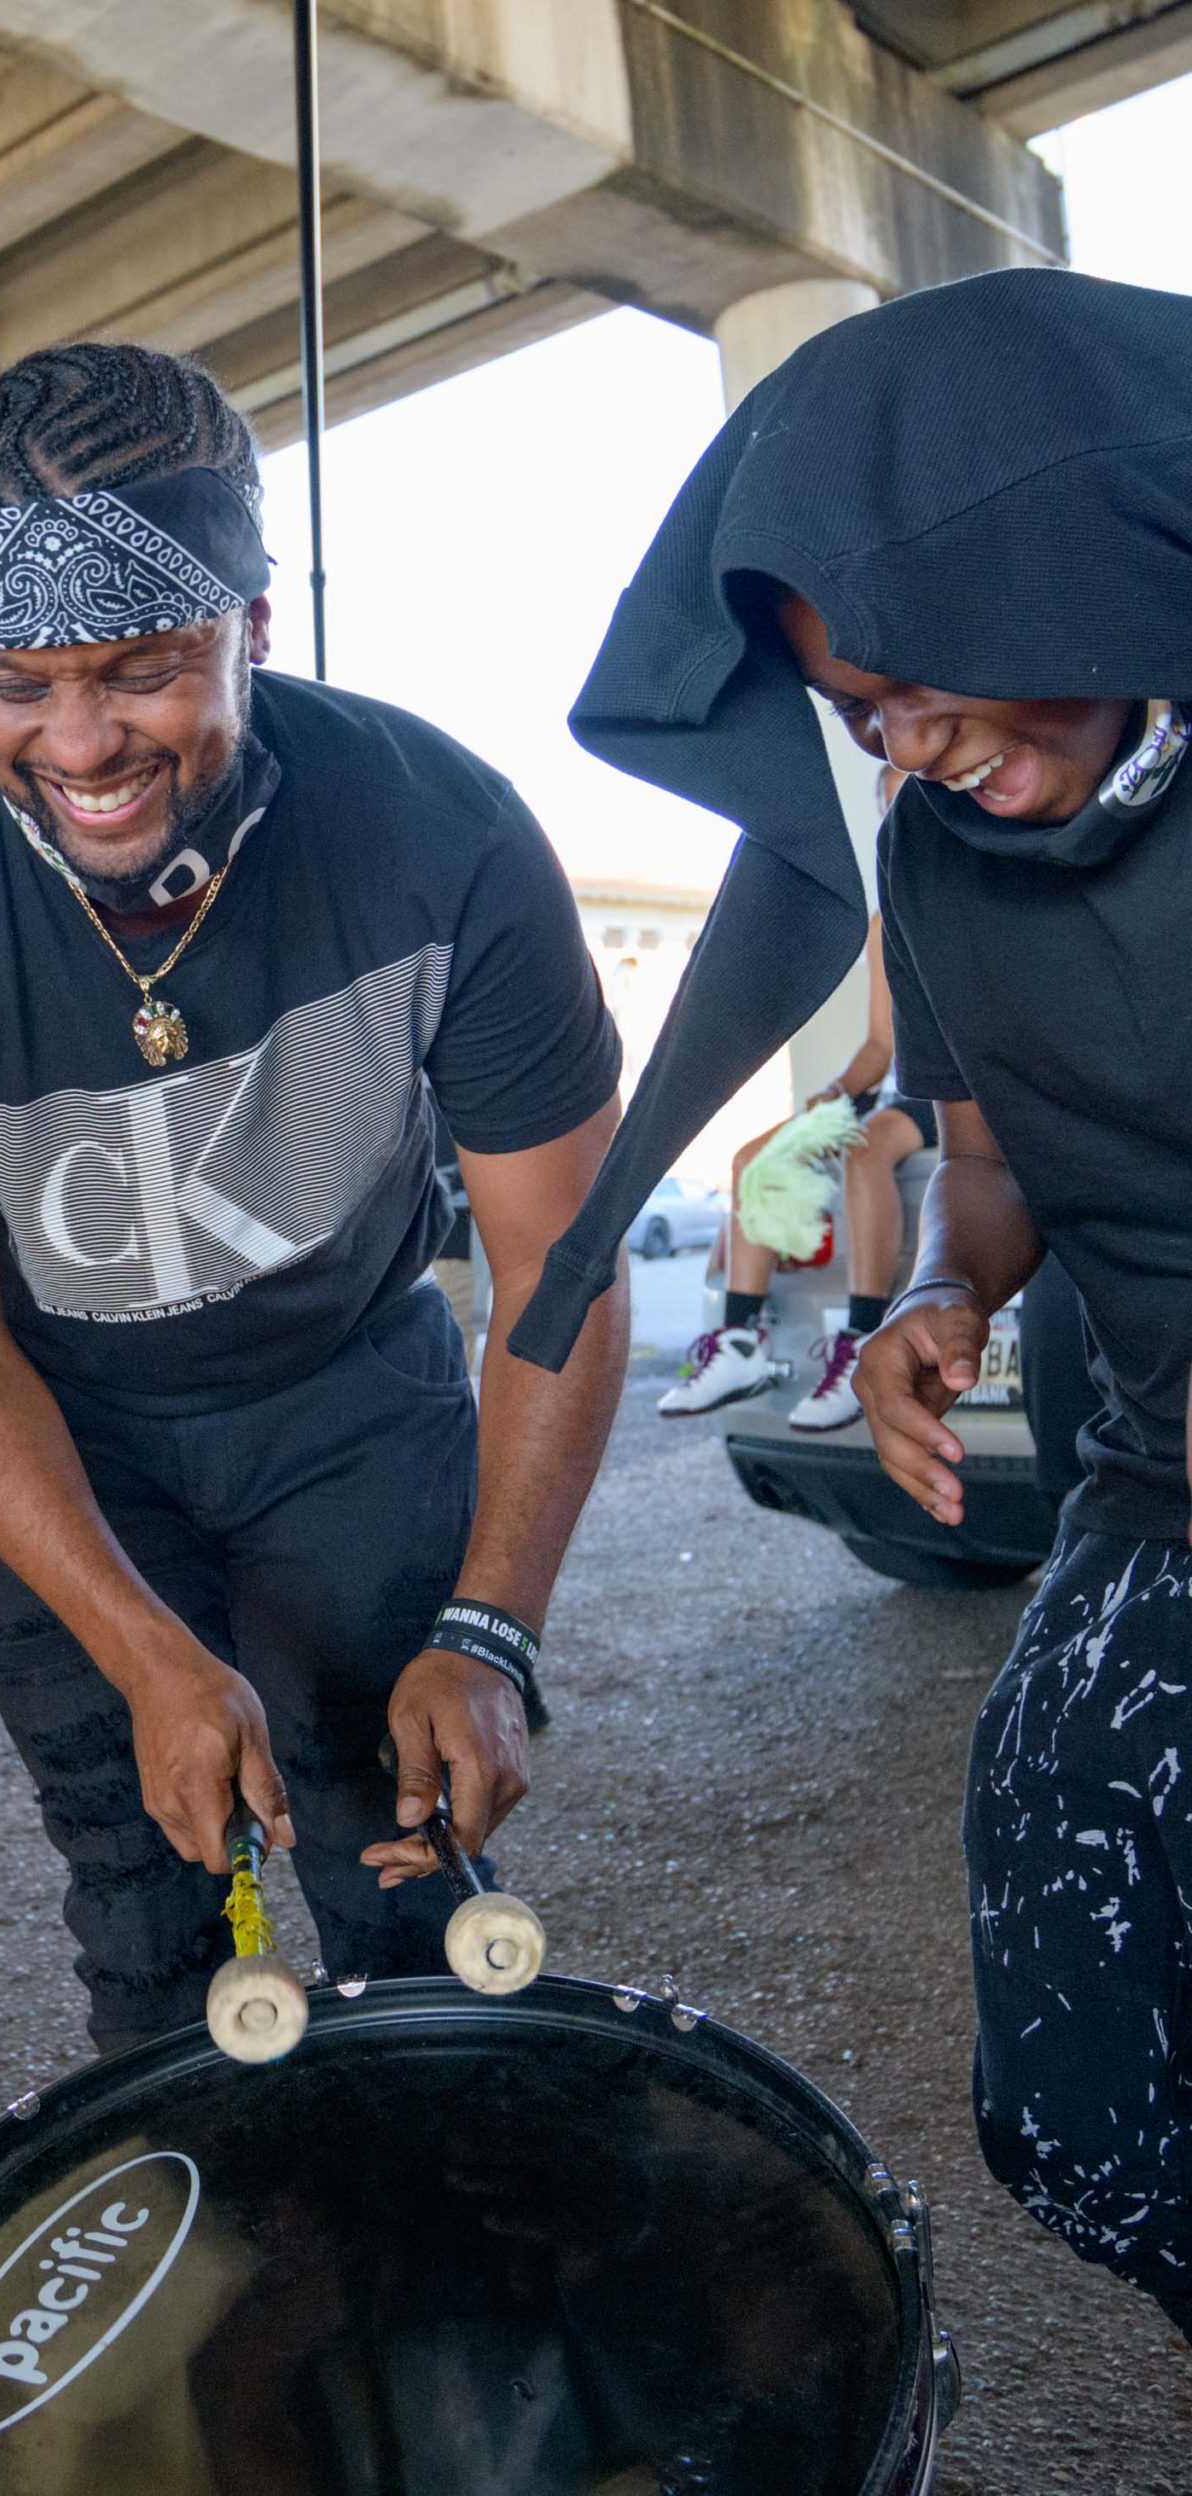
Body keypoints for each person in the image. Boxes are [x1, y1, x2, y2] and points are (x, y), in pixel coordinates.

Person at [0, 344, 630, 2049]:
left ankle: (440, 2200)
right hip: (68, 1436)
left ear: (254, 623)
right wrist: (145, 1651)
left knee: (415, 1886)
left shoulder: (443, 833)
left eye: (142, 670)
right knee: (152, 1927)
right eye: (17, 685)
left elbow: (559, 1261)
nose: (82, 741)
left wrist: (493, 1627)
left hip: (350, 1403)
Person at [515, 268, 1192, 2334]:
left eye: (920, 684)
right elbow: (986, 1150)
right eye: (858, 715)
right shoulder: (941, 857)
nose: (906, 744)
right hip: (1156, 1470)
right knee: (1084, 2073)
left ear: (1074, 569)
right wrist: (938, 1289)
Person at [661, 909, 940, 1430]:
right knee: (754, 1159)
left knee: (865, 1147)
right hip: (896, 1094)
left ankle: (863, 1340)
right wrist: (836, 1092)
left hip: (961, 1091)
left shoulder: (986, 893)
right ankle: (740, 1343)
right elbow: (881, 1044)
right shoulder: (884, 921)